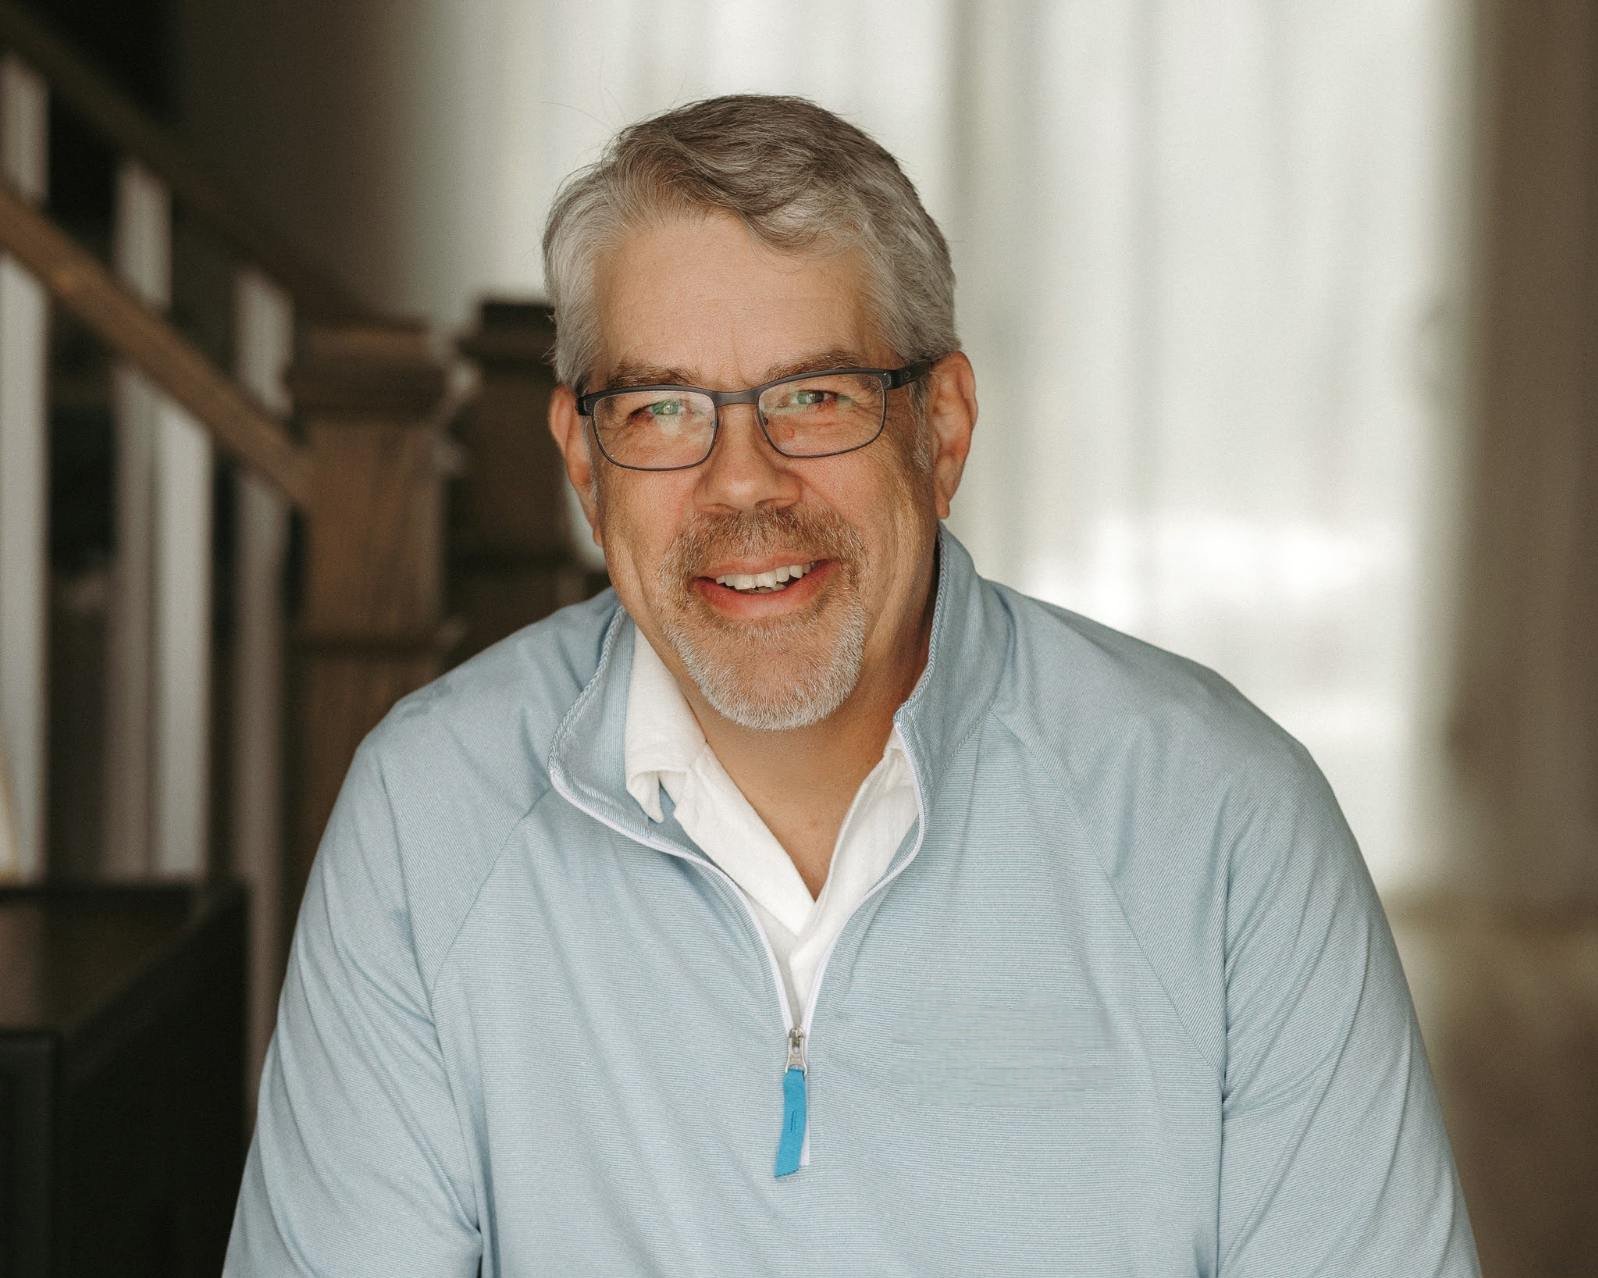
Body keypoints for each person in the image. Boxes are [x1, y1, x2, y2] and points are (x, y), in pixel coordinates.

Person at [226, 94, 1480, 1276]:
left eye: (812, 398)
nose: (741, 485)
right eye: (664, 409)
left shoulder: (1227, 825)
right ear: (582, 460)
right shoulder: (425, 814)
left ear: (940, 430)